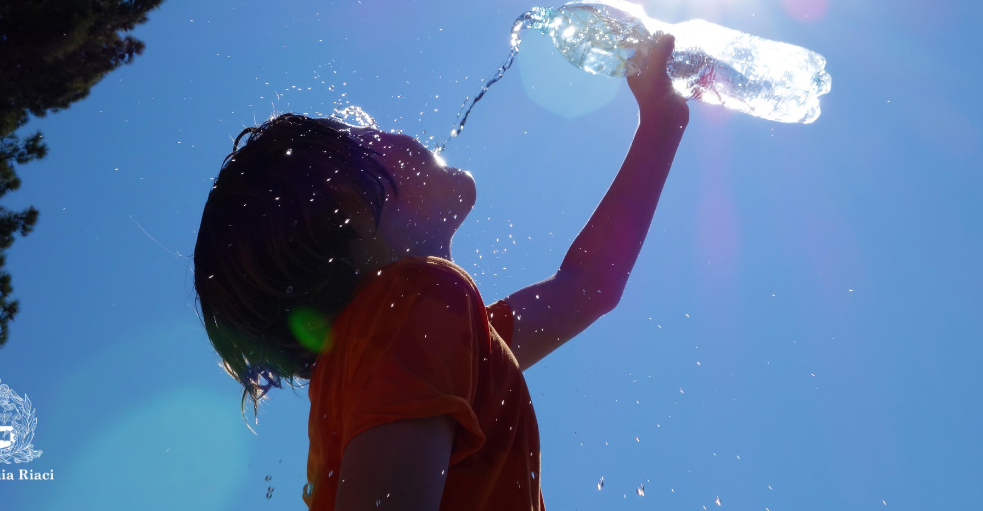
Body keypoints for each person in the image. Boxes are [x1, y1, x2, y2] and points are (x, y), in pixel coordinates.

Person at [194, 35, 688, 510]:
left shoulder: (414, 340)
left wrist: (662, 122)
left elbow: (587, 288)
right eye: (366, 138)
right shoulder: (411, 307)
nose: (392, 132)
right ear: (350, 208)